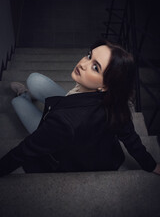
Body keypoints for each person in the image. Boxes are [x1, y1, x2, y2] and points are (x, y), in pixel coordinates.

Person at [0, 40, 160, 177]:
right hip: (82, 121)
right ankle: (31, 95)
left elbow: (24, 151)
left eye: (95, 67)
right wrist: (151, 165)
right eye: (89, 56)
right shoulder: (115, 101)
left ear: (105, 85)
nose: (83, 64)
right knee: (34, 79)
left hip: (64, 138)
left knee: (18, 103)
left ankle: (23, 96)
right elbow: (130, 138)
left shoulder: (63, 122)